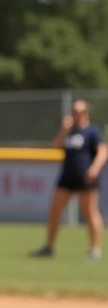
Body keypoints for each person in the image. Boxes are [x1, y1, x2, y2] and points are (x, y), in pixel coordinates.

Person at [32, 99, 106, 260]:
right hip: (67, 177)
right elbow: (57, 145)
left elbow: (103, 151)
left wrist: (94, 168)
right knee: (54, 211)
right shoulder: (70, 131)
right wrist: (64, 130)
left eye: (79, 111)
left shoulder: (92, 131)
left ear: (86, 113)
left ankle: (95, 250)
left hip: (86, 178)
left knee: (90, 213)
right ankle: (49, 247)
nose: (75, 114)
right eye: (73, 110)